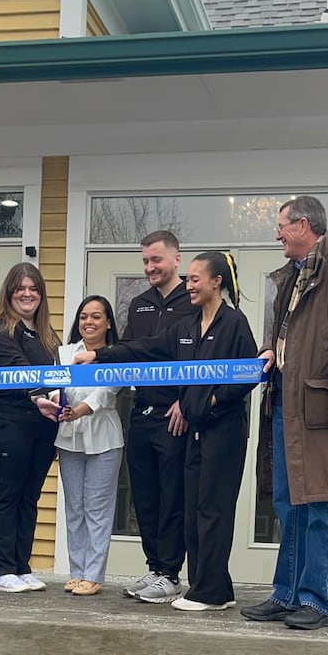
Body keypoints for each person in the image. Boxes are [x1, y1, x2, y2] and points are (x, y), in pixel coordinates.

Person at [76, 252, 258, 611]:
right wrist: (101, 356)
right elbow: (146, 348)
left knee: (213, 510)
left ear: (216, 282)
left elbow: (249, 373)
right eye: (187, 279)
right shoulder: (187, 328)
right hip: (195, 432)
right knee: (192, 510)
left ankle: (210, 593)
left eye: (195, 279)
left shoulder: (234, 323)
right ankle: (212, 587)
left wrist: (214, 400)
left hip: (224, 430)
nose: (189, 286)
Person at [241, 196, 328, 631]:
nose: (277, 234)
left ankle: (316, 601)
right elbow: (287, 334)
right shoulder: (295, 274)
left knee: (319, 501)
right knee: (288, 502)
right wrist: (269, 349)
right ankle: (286, 595)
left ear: (303, 225)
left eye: (281, 226)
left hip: (321, 408)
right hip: (286, 405)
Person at [0, 263, 60, 592]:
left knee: (29, 496)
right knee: (6, 494)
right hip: (6, 423)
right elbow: (17, 367)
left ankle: (21, 565)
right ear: (9, 293)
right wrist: (39, 394)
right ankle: (0, 570)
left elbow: (55, 375)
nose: (27, 294)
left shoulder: (46, 336)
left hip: (41, 425)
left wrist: (55, 396)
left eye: (33, 288)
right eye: (20, 288)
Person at [122, 230, 192, 603]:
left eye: (157, 260)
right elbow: (132, 352)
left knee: (172, 498)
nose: (150, 267)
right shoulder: (139, 304)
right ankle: (154, 569)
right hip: (141, 414)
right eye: (146, 261)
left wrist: (186, 401)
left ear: (176, 259)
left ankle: (171, 573)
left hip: (175, 417)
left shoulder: (193, 300)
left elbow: (201, 359)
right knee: (145, 498)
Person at [49, 296, 123, 598]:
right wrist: (57, 403)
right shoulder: (65, 353)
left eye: (95, 317)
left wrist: (78, 410)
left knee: (97, 509)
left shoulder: (116, 355)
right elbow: (54, 385)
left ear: (107, 323)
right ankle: (77, 572)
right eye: (83, 317)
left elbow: (107, 392)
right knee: (75, 508)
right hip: (69, 437)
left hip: (104, 437)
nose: (88, 322)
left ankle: (93, 576)